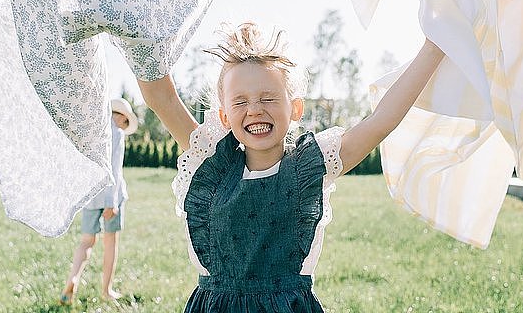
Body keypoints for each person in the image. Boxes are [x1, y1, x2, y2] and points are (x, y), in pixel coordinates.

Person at [152, 23, 444, 312]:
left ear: (295, 109)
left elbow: (380, 121)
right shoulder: (210, 165)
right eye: (240, 101)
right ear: (224, 116)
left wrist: (435, 46)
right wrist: (138, 35)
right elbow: (162, 98)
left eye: (268, 98)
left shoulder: (310, 167)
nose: (254, 109)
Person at [59, 98, 138, 305]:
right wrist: (112, 202)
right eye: (126, 122)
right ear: (119, 116)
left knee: (86, 241)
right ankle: (106, 290)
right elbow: (115, 169)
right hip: (111, 196)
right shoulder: (117, 134)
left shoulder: (92, 131)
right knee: (110, 242)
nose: (125, 126)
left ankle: (72, 280)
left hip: (90, 195)